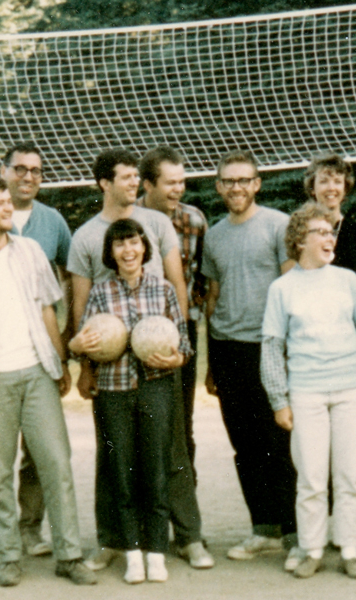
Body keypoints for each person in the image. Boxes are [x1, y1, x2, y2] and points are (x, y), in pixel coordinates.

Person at [0, 173, 96, 588]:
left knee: (56, 464)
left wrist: (59, 363)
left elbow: (48, 310)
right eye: (0, 204)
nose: (10, 209)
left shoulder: (30, 252)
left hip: (36, 375)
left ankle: (69, 555)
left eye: (10, 203)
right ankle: (8, 556)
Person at [66, 149, 208, 571]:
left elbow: (176, 285)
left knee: (172, 447)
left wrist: (178, 351)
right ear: (104, 184)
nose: (134, 183)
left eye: (136, 177)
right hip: (112, 371)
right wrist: (86, 367)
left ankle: (188, 537)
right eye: (125, 177)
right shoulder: (87, 237)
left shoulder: (159, 224)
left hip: (160, 360)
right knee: (114, 452)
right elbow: (80, 307)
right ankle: (113, 540)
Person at [261, 202, 356, 580]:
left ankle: (349, 548)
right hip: (306, 393)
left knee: (351, 473)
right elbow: (271, 346)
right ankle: (312, 549)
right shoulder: (282, 289)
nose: (330, 238)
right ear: (300, 240)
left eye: (332, 232)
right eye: (321, 232)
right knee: (312, 477)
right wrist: (279, 400)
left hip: (349, 389)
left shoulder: (347, 279)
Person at [200, 150, 300, 567]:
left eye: (244, 180)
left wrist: (289, 349)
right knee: (244, 444)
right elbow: (212, 299)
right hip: (228, 349)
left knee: (280, 441)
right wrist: (211, 361)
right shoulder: (215, 235)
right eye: (228, 181)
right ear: (219, 186)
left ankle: (297, 533)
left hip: (270, 348)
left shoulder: (277, 225)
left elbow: (294, 287)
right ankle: (263, 528)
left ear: (257, 184)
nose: (236, 187)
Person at [134, 146, 215, 570]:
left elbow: (195, 280)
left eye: (182, 182)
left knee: (179, 431)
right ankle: (148, 528)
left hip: (179, 331)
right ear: (147, 184)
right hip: (132, 339)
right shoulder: (128, 221)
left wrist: (181, 334)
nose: (178, 190)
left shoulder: (193, 219)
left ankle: (187, 530)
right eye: (170, 182)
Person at [303, 152, 356, 309]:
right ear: (313, 188)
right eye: (324, 181)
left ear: (345, 188)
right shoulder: (302, 232)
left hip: (353, 323)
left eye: (337, 181)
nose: (331, 188)